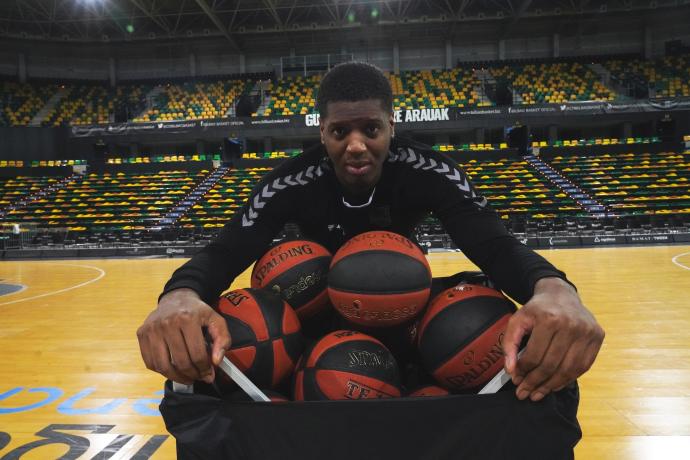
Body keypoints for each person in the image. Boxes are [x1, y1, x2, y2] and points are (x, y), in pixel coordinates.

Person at [137, 62, 604, 405]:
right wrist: (179, 294)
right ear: (322, 134)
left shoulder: (428, 169)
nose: (356, 144)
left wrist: (554, 288)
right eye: (340, 131)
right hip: (314, 318)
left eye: (371, 129)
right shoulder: (291, 181)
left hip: (407, 313)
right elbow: (227, 249)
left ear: (391, 128)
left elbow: (492, 244)